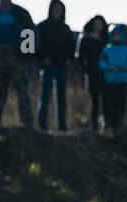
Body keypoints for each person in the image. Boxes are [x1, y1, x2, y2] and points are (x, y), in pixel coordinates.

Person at [0, 0, 36, 128]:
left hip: (18, 56)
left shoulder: (21, 13)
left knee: (22, 89)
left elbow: (31, 32)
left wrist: (28, 53)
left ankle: (27, 123)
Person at [36, 0, 73, 131]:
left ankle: (62, 126)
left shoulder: (66, 28)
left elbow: (71, 46)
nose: (57, 11)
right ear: (51, 10)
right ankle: (42, 125)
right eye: (55, 8)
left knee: (62, 97)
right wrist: (42, 58)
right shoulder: (42, 26)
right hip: (48, 66)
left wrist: (70, 59)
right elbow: (37, 45)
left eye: (60, 9)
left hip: (62, 66)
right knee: (45, 96)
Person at [98, 22, 127, 130]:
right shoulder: (107, 49)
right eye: (114, 35)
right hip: (110, 80)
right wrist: (110, 67)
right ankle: (108, 125)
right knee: (109, 104)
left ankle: (119, 125)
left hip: (123, 80)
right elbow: (102, 63)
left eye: (119, 35)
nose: (117, 37)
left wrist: (125, 67)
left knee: (121, 104)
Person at [76, 14, 107, 129]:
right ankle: (93, 125)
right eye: (96, 24)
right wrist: (86, 69)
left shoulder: (106, 39)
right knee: (94, 100)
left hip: (105, 73)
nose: (98, 26)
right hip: (92, 73)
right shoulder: (85, 38)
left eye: (100, 24)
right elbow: (79, 57)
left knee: (106, 100)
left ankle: (106, 125)